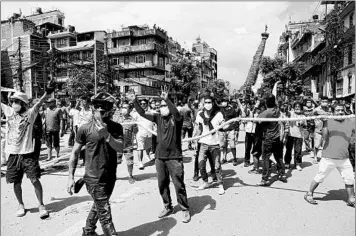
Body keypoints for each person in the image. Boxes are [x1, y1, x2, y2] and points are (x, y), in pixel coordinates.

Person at [129, 86, 191, 223]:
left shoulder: (177, 118)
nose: (163, 107)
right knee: (162, 184)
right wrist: (134, 101)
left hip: (174, 157)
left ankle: (185, 209)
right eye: (161, 105)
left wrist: (167, 100)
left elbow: (175, 112)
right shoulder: (157, 118)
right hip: (160, 157)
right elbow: (142, 113)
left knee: (178, 184)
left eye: (165, 105)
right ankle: (167, 206)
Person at [67, 92, 124, 236]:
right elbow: (74, 153)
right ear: (93, 109)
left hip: (110, 175)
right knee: (105, 215)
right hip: (94, 178)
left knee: (98, 206)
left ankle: (88, 231)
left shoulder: (116, 127)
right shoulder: (85, 128)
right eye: (97, 106)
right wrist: (70, 177)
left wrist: (107, 135)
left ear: (110, 109)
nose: (100, 109)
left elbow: (120, 147)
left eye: (104, 106)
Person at [1, 82, 55, 219]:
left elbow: (40, 102)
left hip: (28, 153)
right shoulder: (9, 112)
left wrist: (47, 92)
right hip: (13, 154)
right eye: (13, 101)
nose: (14, 104)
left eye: (17, 101)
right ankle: (20, 205)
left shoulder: (30, 114)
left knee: (34, 179)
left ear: (24, 103)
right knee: (16, 181)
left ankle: (41, 205)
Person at [304, 103, 355, 207]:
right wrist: (325, 123)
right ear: (333, 112)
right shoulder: (328, 121)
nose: (340, 112)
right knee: (320, 177)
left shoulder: (350, 121)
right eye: (337, 110)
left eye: (342, 110)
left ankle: (351, 198)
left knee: (349, 178)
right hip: (329, 157)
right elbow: (325, 137)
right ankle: (309, 193)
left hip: (344, 157)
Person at [195, 94, 227, 195]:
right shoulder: (200, 114)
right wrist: (195, 140)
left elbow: (223, 125)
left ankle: (220, 184)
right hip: (203, 143)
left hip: (215, 144)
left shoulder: (218, 114)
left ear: (212, 104)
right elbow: (198, 128)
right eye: (206, 103)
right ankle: (205, 182)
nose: (208, 104)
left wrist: (228, 125)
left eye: (209, 102)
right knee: (201, 163)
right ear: (203, 104)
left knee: (217, 166)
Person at [258, 93, 288, 186]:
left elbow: (257, 120)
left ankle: (265, 179)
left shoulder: (266, 113)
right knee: (279, 157)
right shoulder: (277, 110)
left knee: (265, 159)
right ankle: (282, 174)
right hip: (277, 138)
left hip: (268, 139)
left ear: (266, 102)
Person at [114, 101, 138, 184]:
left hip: (128, 145)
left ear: (130, 109)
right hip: (117, 144)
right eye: (122, 107)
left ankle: (130, 176)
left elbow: (136, 131)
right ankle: (114, 176)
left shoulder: (132, 119)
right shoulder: (116, 118)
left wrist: (135, 127)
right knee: (115, 161)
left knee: (130, 162)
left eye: (125, 108)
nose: (123, 109)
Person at [131, 98, 154, 169]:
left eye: (144, 104)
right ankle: (140, 162)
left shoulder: (151, 112)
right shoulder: (136, 113)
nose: (142, 105)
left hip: (150, 132)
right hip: (140, 133)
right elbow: (131, 117)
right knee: (140, 148)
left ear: (147, 104)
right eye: (141, 104)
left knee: (148, 146)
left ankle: (147, 155)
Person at [284, 102, 306, 171]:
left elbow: (304, 125)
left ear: (301, 108)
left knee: (298, 151)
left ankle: (298, 164)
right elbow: (286, 112)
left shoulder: (303, 116)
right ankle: (287, 163)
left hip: (299, 136)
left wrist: (301, 123)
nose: (297, 108)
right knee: (288, 150)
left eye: (298, 106)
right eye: (296, 106)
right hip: (290, 135)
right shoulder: (291, 113)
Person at [219, 98, 239, 166]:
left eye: (224, 101)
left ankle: (234, 158)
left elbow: (236, 120)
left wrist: (236, 129)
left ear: (227, 102)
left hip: (230, 130)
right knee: (223, 145)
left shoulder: (232, 110)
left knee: (232, 145)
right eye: (222, 101)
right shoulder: (220, 110)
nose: (223, 103)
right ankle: (224, 158)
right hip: (222, 131)